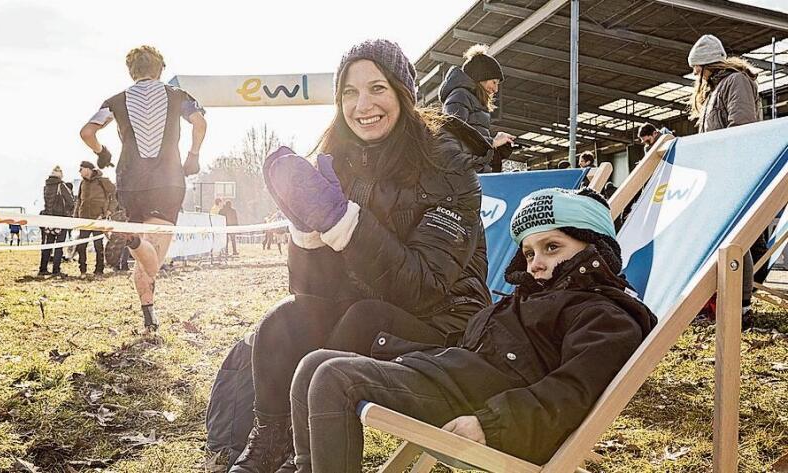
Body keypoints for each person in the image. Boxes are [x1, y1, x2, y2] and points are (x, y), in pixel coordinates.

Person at [228, 39, 492, 473]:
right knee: (285, 320)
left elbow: (424, 287)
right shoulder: (340, 161)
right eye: (349, 92)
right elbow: (314, 291)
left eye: (377, 88)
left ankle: (307, 454)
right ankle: (272, 441)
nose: (362, 104)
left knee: (364, 317)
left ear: (403, 95)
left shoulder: (448, 165)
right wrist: (306, 229)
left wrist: (341, 220)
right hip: (369, 307)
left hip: (446, 322)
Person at [289, 188, 657, 472]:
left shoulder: (606, 315)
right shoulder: (532, 300)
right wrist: (401, 349)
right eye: (529, 253)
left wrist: (493, 424)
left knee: (335, 377)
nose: (537, 264)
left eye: (552, 247)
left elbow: (572, 391)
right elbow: (473, 348)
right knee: (313, 363)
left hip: (485, 409)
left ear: (596, 249)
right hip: (456, 383)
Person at [79, 45, 206, 331]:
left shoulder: (116, 100)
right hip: (168, 181)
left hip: (131, 182)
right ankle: (134, 242)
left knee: (144, 255)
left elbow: (87, 132)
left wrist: (102, 153)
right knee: (153, 260)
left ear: (131, 71)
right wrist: (193, 156)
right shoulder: (178, 96)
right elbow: (199, 123)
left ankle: (148, 315)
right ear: (160, 69)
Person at [688, 34, 762, 317]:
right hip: (716, 172)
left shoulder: (736, 82)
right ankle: (719, 297)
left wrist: (725, 164)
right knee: (720, 237)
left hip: (732, 171)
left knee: (734, 239)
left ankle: (740, 302)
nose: (695, 73)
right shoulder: (714, 90)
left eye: (697, 67)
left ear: (708, 63)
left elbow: (741, 127)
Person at [438, 44, 515, 173]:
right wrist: (492, 142)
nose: (496, 89)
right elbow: (453, 137)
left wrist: (497, 150)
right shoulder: (460, 96)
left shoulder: (473, 100)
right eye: (494, 82)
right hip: (465, 175)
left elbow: (473, 140)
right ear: (481, 78)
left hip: (475, 171)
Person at [74, 160, 117, 276]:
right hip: (84, 219)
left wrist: (109, 210)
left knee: (98, 245)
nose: (79, 172)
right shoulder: (82, 184)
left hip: (98, 218)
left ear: (87, 169)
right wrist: (75, 217)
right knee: (81, 245)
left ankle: (99, 269)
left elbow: (115, 195)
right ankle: (82, 270)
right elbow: (78, 200)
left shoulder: (103, 181)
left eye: (81, 169)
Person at [39, 166, 75, 275]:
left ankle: (43, 268)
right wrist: (68, 212)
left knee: (48, 245)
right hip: (60, 218)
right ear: (60, 175)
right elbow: (70, 201)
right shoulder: (61, 185)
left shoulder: (46, 186)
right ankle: (56, 269)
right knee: (59, 245)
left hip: (48, 219)